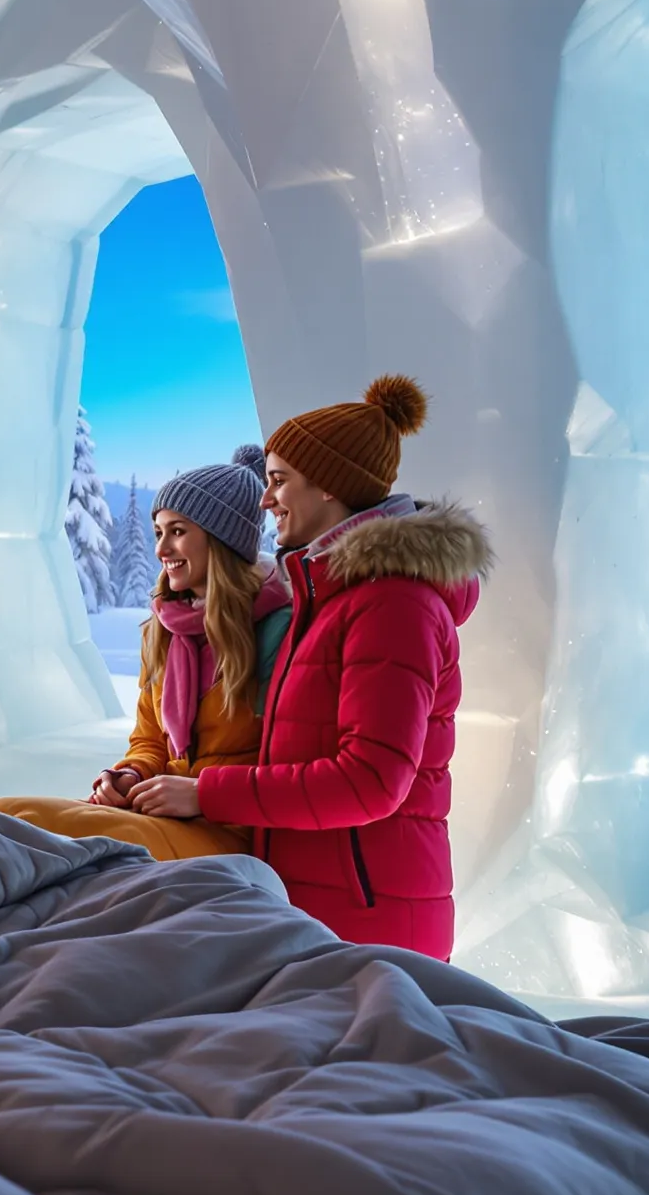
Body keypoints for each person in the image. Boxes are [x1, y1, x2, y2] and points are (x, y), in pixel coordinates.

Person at [120, 374, 489, 960]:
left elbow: (369, 780)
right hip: (318, 913)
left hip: (370, 926)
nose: (265, 500)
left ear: (328, 487)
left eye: (278, 481)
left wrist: (207, 794)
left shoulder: (393, 602)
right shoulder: (326, 599)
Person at [0, 449, 292, 860]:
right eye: (159, 532)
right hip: (165, 815)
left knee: (28, 829)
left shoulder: (276, 631)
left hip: (230, 831)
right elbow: (149, 741)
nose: (162, 548)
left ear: (221, 540)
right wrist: (129, 774)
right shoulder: (165, 630)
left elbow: (290, 767)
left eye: (178, 531)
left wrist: (202, 794)